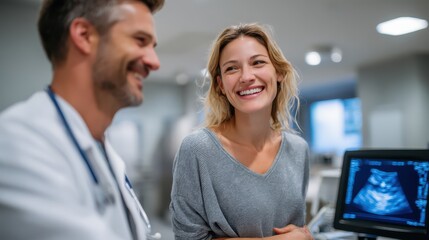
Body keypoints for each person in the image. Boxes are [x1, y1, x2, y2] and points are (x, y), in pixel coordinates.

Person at [0, 0, 164, 239]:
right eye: (140, 40)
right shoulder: (16, 144)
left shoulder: (106, 152)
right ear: (84, 36)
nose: (154, 62)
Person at [170, 23, 314, 240]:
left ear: (279, 73)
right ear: (220, 84)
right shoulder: (198, 150)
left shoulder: (298, 149)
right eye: (232, 68)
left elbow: (297, 229)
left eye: (258, 63)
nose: (246, 76)